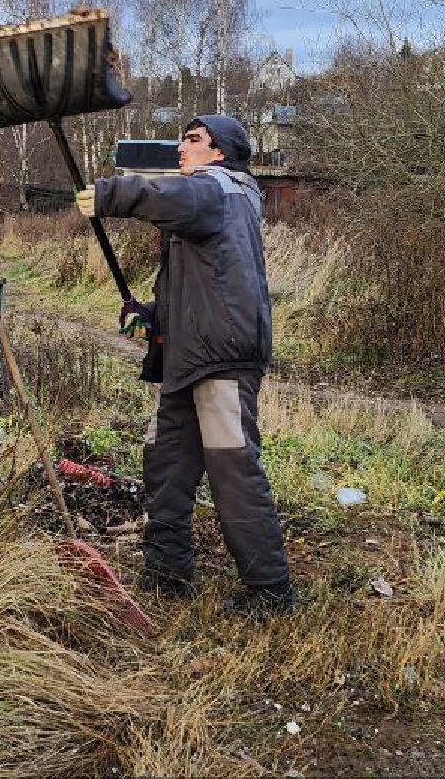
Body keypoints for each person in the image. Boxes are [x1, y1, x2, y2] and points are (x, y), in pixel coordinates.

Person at [75, 114, 295, 616]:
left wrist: (112, 195)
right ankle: (167, 571)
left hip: (220, 356)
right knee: (166, 462)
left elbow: (171, 198)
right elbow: (197, 290)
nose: (181, 147)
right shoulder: (209, 204)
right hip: (187, 356)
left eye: (193, 140)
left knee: (234, 471)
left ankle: (270, 591)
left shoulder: (218, 189)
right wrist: (151, 317)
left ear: (219, 152)